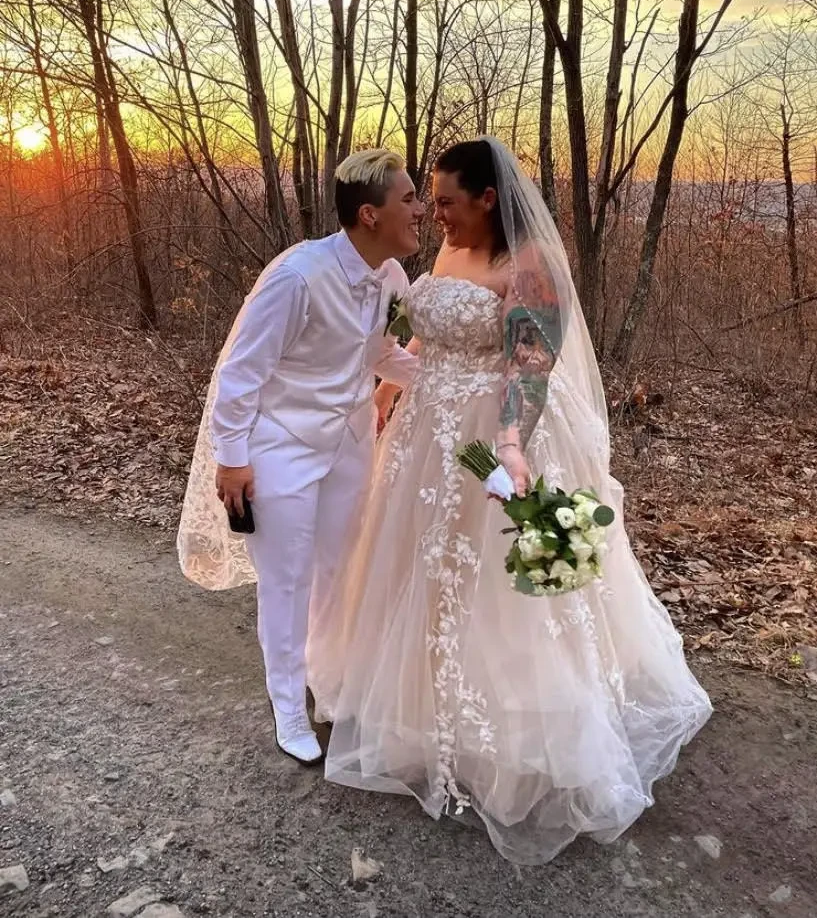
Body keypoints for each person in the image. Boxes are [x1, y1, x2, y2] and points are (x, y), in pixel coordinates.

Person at [308, 137, 712, 864]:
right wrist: (385, 393)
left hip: (493, 437)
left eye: (448, 203)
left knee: (498, 588)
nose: (436, 216)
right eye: (428, 203)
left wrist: (512, 446)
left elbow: (532, 365)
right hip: (423, 432)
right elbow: (421, 339)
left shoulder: (530, 268)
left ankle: (512, 726)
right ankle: (410, 706)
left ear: (488, 199)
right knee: (411, 572)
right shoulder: (447, 253)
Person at [177, 149, 424, 765]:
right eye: (409, 199)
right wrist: (233, 459)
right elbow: (240, 372)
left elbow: (381, 355)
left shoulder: (393, 279)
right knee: (285, 581)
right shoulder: (297, 277)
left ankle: (322, 676)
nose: (420, 210)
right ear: (370, 214)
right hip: (280, 447)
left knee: (336, 568)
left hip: (348, 444)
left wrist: (452, 385)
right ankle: (288, 707)